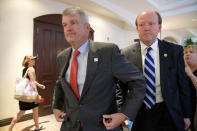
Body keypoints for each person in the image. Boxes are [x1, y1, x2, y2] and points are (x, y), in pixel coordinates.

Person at [52, 7, 146, 131]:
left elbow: (138, 82)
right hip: (71, 125)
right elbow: (60, 83)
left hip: (102, 126)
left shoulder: (108, 52)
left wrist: (124, 114)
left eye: (73, 23)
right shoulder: (62, 57)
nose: (68, 28)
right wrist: (56, 106)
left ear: (87, 27)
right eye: (65, 25)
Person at [120, 11, 192, 131]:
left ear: (159, 27)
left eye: (151, 24)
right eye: (142, 25)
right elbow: (120, 88)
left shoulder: (174, 51)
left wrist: (186, 115)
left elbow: (182, 85)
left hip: (168, 112)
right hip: (138, 114)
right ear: (137, 28)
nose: (146, 28)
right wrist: (122, 115)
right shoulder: (125, 54)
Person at [8, 55, 45, 131]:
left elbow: (29, 81)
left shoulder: (24, 69)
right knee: (35, 111)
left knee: (21, 113)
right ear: (29, 61)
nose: (34, 61)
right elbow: (32, 82)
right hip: (31, 95)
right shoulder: (31, 69)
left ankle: (10, 128)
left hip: (24, 95)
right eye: (33, 60)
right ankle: (37, 127)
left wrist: (39, 85)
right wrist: (37, 94)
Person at [184, 45, 197, 131]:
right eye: (185, 53)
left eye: (191, 52)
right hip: (187, 112)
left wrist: (191, 75)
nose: (187, 54)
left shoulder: (188, 72)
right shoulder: (182, 71)